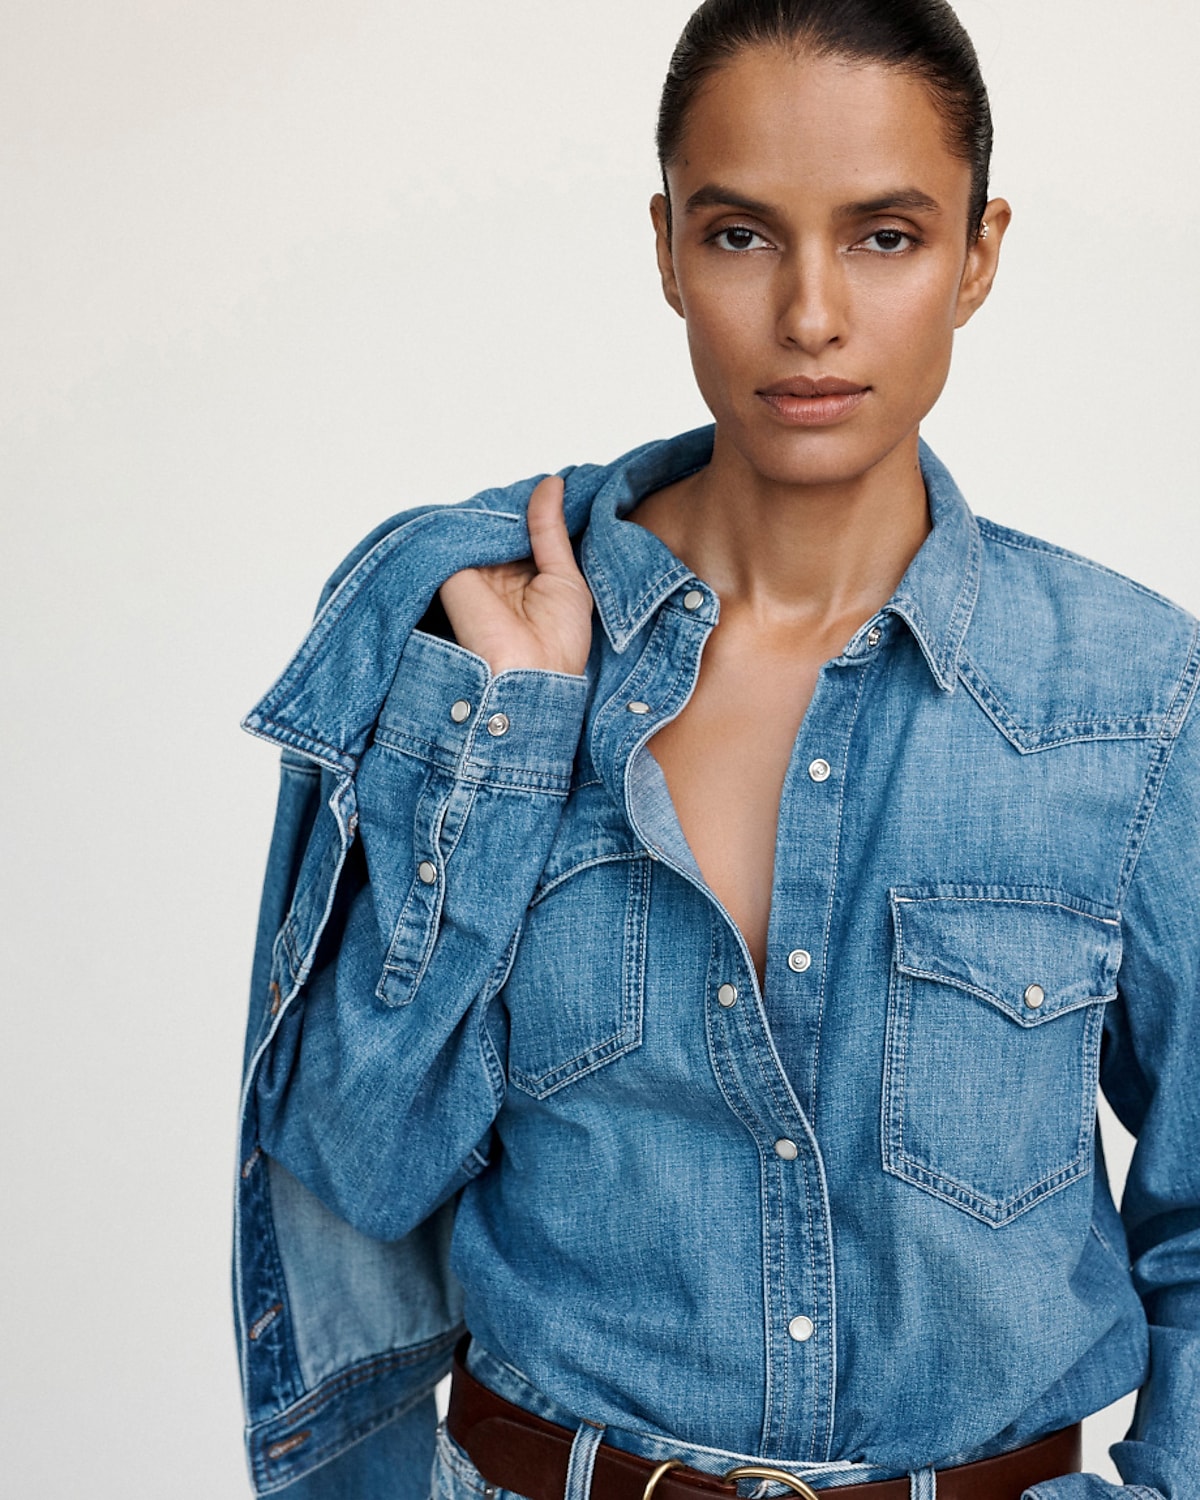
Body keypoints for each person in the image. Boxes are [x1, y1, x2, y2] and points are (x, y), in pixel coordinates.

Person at [232, 2, 1199, 1498]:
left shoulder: (1135, 695)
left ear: (980, 253)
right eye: (744, 236)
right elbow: (359, 1164)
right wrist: (508, 747)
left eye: (885, 237)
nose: (811, 313)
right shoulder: (474, 639)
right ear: (668, 244)